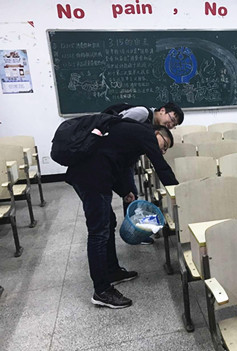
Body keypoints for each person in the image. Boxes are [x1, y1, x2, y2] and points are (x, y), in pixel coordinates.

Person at [66, 121, 178, 309]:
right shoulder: (145, 133)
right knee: (98, 232)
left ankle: (112, 271)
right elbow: (161, 166)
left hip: (95, 173)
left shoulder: (134, 138)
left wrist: (124, 190)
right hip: (90, 176)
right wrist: (178, 192)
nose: (163, 151)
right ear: (157, 134)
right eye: (164, 145)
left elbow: (117, 162)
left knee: (108, 222)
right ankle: (101, 291)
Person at [118, 102, 184, 244]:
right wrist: (176, 190)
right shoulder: (142, 113)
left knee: (131, 193)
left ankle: (135, 230)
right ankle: (132, 231)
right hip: (115, 158)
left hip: (127, 160)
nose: (171, 125)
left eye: (174, 125)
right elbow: (118, 128)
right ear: (162, 110)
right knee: (127, 194)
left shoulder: (155, 129)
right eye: (172, 119)